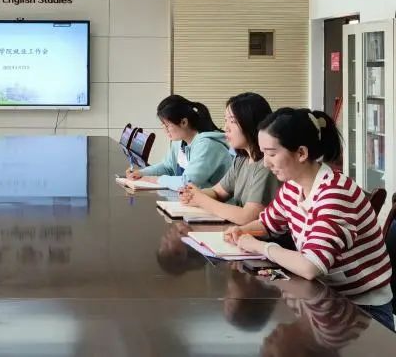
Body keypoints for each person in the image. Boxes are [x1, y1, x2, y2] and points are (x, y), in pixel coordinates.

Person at [224, 108, 394, 330]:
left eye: (272, 154)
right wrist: (244, 230)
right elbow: (267, 224)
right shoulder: (293, 186)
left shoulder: (335, 194)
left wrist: (259, 246)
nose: (265, 163)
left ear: (301, 153)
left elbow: (310, 265)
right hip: (327, 299)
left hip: (362, 311)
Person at [179, 92, 280, 224]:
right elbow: (218, 192)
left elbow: (248, 217)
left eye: (232, 121)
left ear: (251, 123)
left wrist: (201, 200)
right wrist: (194, 194)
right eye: (226, 120)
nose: (226, 127)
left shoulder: (266, 165)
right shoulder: (241, 159)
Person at [127, 95, 232, 190]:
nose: (165, 130)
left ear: (184, 122)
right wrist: (142, 173)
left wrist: (153, 179)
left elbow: (188, 182)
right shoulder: (179, 142)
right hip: (192, 199)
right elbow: (167, 167)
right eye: (163, 125)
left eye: (167, 125)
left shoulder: (207, 145)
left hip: (215, 202)